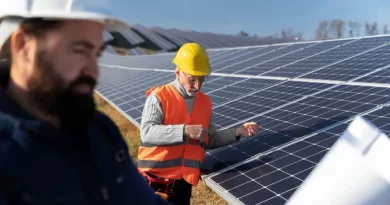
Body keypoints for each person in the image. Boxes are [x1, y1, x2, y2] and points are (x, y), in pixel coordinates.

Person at [0, 0, 171, 204]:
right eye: (80, 50)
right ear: (23, 46)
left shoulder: (98, 132)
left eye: (96, 54)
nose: (94, 71)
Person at [137, 42, 261, 205]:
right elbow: (147, 132)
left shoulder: (205, 102)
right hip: (154, 181)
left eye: (202, 79)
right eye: (192, 79)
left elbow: (209, 138)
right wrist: (184, 131)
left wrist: (237, 132)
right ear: (178, 72)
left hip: (183, 184)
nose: (197, 85)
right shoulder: (159, 97)